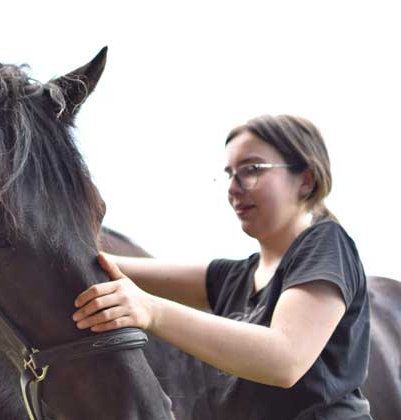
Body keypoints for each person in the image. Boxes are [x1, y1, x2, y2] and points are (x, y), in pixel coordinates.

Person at [72, 115, 372, 419]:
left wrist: (151, 310)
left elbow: (285, 359)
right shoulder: (234, 277)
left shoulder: (326, 242)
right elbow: (102, 263)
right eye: (229, 173)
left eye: (251, 170)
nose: (233, 188)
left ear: (305, 180)